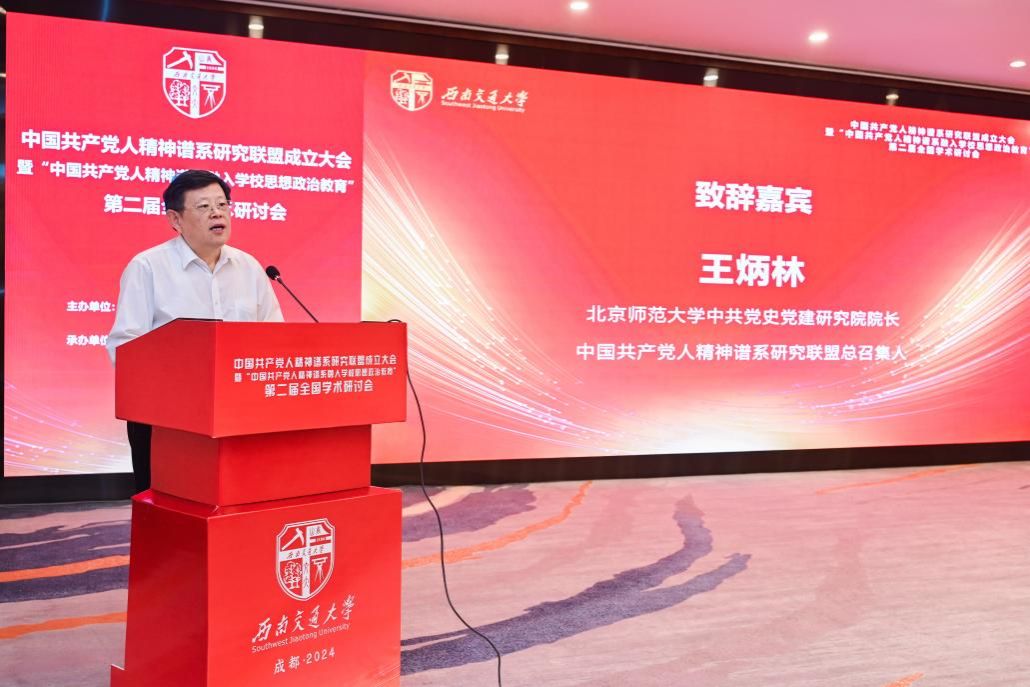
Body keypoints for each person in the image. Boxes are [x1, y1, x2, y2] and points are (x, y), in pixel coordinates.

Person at [107, 170, 284, 492]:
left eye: (222, 204)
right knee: (167, 501)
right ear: (175, 219)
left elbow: (274, 337)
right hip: (166, 417)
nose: (217, 213)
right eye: (204, 207)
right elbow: (126, 346)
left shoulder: (250, 268)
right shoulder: (148, 267)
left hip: (238, 411)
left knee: (236, 497)